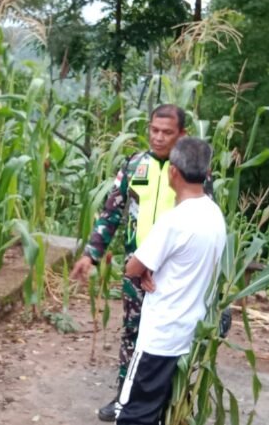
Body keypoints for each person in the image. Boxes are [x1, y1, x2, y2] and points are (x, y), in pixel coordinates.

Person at [71, 104, 207, 421]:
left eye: (167, 132)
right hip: (137, 268)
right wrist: (91, 253)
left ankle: (170, 403)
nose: (158, 138)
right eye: (154, 130)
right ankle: (124, 397)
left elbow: (202, 221)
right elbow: (112, 212)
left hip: (172, 275)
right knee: (132, 335)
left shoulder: (191, 171)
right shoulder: (136, 166)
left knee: (173, 341)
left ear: (182, 134)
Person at [118, 137, 226, 425]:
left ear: (173, 172)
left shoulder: (174, 221)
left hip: (161, 337)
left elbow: (132, 267)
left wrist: (143, 271)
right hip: (191, 333)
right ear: (206, 173)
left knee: (134, 415)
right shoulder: (215, 215)